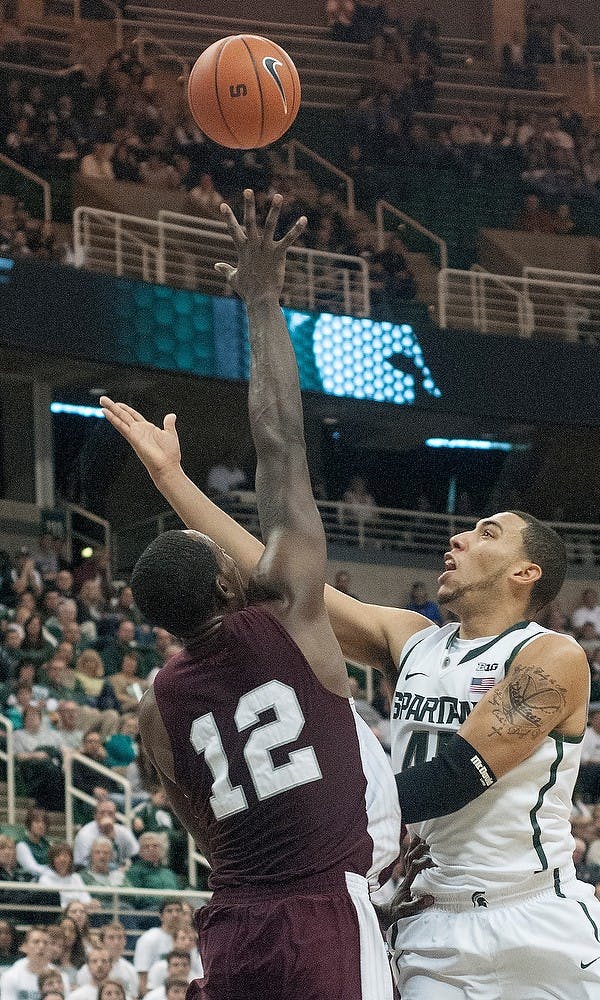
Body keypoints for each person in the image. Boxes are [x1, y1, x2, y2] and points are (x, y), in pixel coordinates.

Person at [101, 203, 600, 995]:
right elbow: (267, 572)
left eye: (485, 531)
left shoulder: (551, 656)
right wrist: (172, 481)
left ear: (527, 574)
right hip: (427, 919)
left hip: (532, 918)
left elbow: (460, 774)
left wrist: (309, 817)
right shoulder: (412, 637)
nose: (458, 538)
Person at [100, 189, 402, 1000]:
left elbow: (201, 827)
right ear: (230, 577)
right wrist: (263, 300)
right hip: (324, 917)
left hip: (232, 926)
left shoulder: (156, 705)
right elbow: (280, 442)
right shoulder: (290, 617)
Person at [0, 926, 55, 999]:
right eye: (36, 942)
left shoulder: (59, 977)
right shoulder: (10, 976)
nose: (41, 946)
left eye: (46, 943)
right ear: (25, 946)